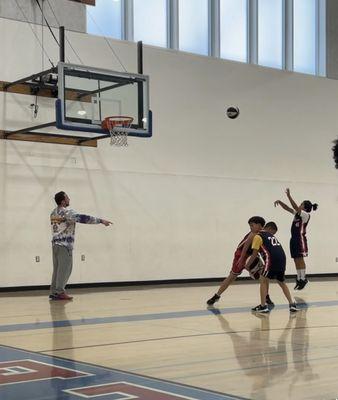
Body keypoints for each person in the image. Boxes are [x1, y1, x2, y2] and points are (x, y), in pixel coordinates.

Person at [50, 191, 112, 300]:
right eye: (67, 198)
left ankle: (54, 292)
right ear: (63, 201)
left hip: (55, 245)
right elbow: (83, 218)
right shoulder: (67, 212)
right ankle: (60, 292)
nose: (69, 199)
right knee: (65, 270)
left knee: (57, 270)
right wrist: (101, 221)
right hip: (65, 245)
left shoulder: (53, 213)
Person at [206, 216, 274, 306]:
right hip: (240, 254)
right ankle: (217, 295)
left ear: (259, 225)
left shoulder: (263, 234)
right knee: (232, 277)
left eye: (251, 225)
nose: (250, 228)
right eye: (250, 226)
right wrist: (242, 259)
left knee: (265, 275)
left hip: (252, 255)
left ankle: (266, 296)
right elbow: (245, 247)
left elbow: (261, 249)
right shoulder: (254, 234)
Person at [247, 221, 298, 314]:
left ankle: (263, 306)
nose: (251, 228)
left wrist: (247, 265)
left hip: (271, 260)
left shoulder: (258, 236)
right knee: (281, 282)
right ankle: (292, 304)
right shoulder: (271, 236)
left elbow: (254, 254)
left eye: (252, 226)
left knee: (263, 280)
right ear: (269, 229)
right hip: (282, 259)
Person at [274, 188, 318, 290]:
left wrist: (289, 195)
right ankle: (299, 278)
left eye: (301, 204)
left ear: (305, 208)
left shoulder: (306, 215)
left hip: (300, 239)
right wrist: (280, 202)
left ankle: (304, 278)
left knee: (300, 258)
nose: (299, 205)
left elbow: (294, 206)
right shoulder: (297, 214)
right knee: (295, 258)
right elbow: (288, 208)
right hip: (293, 239)